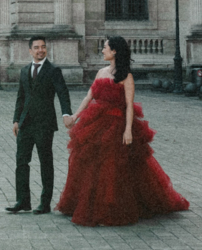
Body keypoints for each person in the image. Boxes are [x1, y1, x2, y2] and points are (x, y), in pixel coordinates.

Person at [56, 36, 189, 227]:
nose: (102, 50)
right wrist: (74, 117)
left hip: (117, 124)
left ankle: (113, 206)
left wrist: (128, 130)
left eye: (105, 48)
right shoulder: (101, 72)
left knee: (113, 167)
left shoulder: (126, 76)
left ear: (115, 51)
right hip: (96, 123)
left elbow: (129, 106)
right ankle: (87, 202)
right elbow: (88, 97)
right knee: (92, 164)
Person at [8, 36, 74, 215]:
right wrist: (16, 120)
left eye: (43, 47)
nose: (40, 50)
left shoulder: (53, 70)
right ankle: (22, 201)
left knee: (46, 162)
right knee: (21, 161)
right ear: (30, 50)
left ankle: (45, 203)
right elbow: (21, 97)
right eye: (36, 47)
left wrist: (66, 113)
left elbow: (62, 93)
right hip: (25, 123)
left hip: (44, 124)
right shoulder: (24, 71)